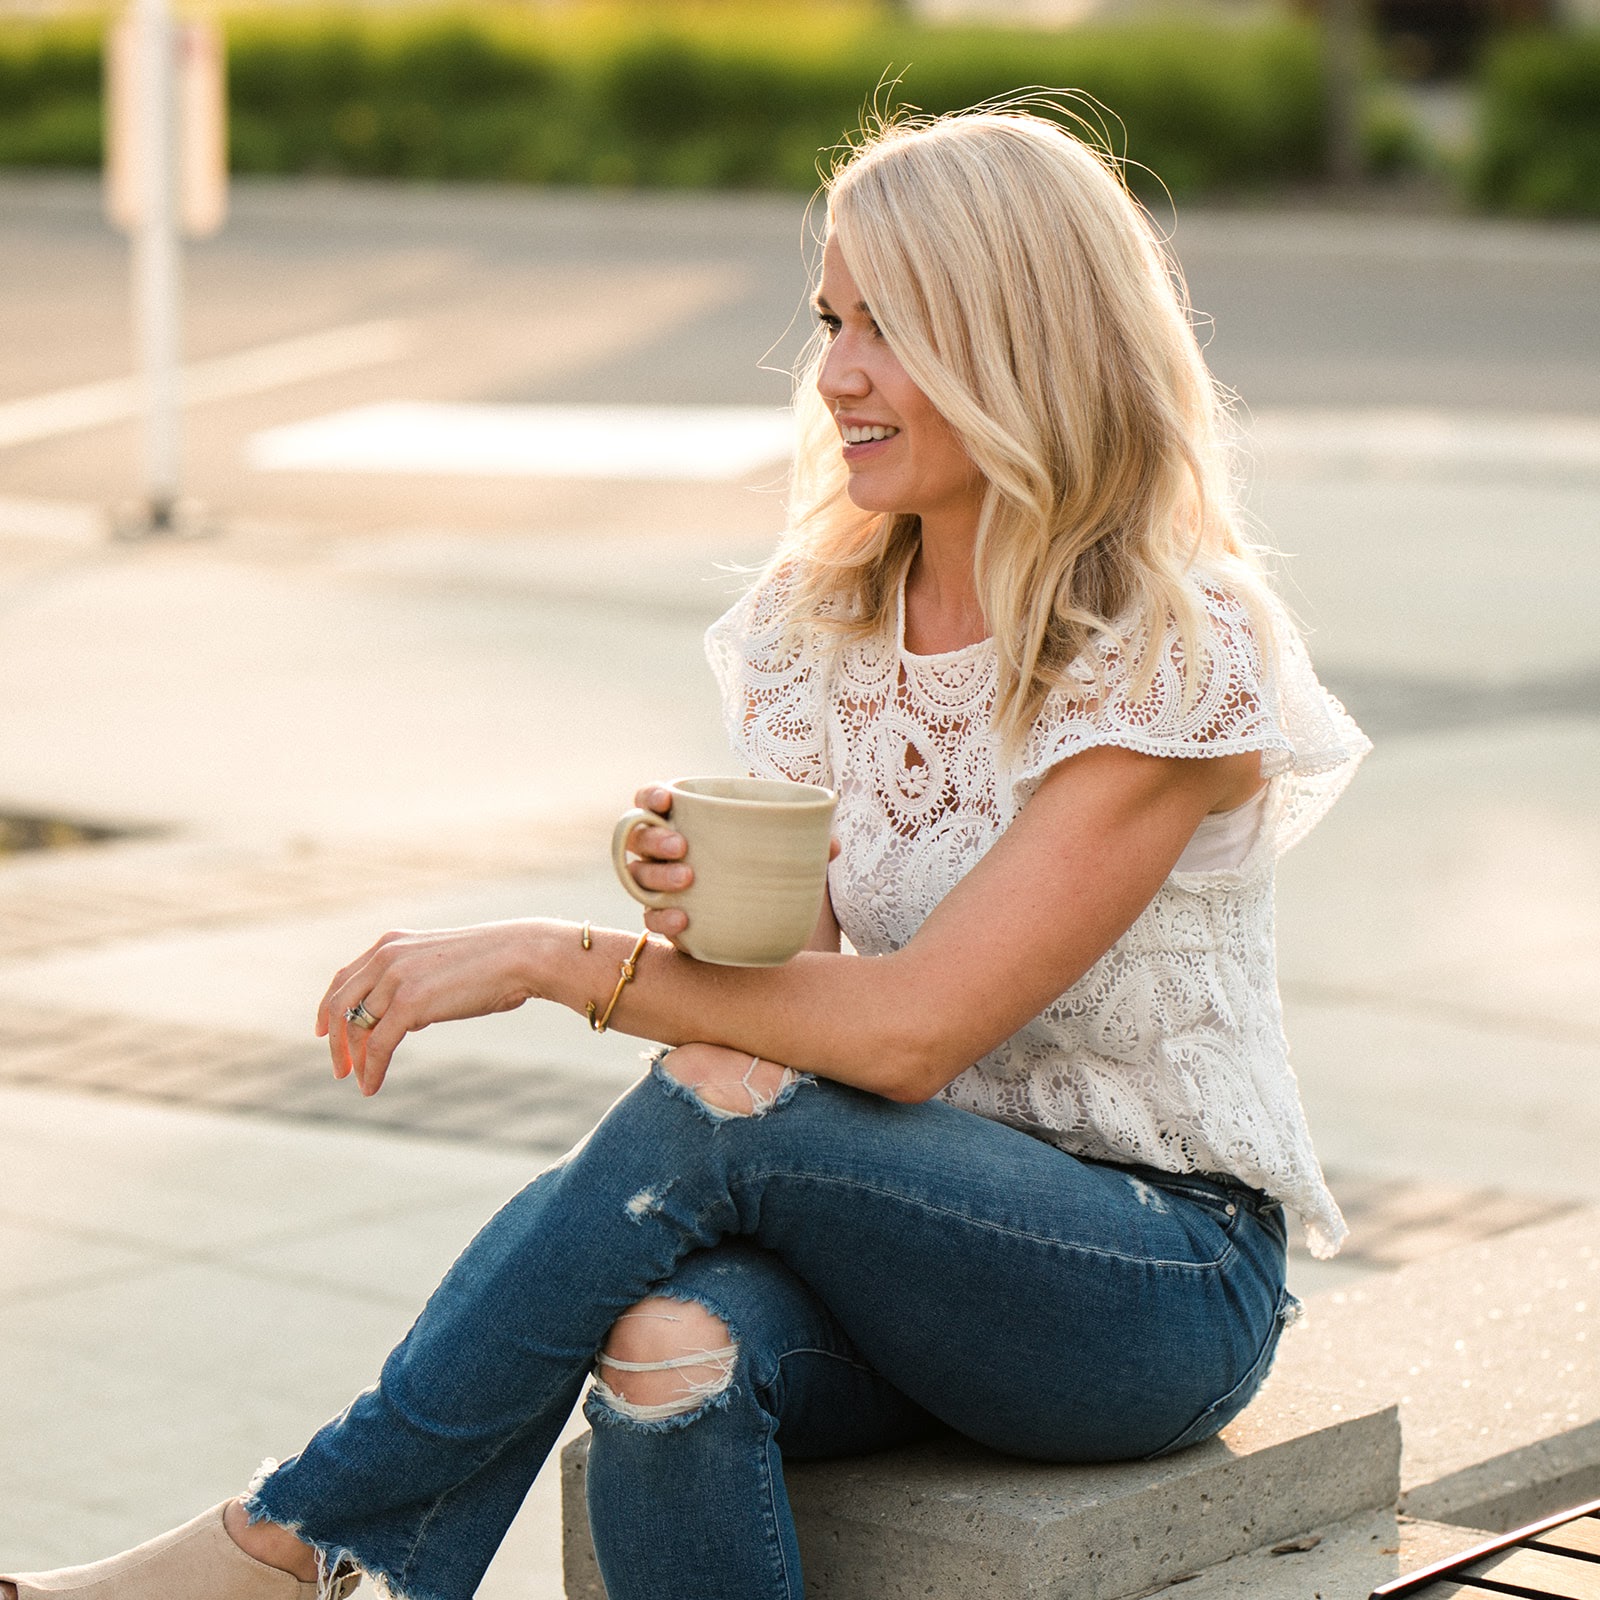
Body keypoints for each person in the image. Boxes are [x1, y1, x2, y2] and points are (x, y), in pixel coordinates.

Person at [3, 104, 1368, 1600]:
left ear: (1021, 344)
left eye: (890, 328)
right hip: (890, 1244)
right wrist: (723, 923)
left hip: (1149, 1283)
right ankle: (321, 1556)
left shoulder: (1174, 649)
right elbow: (810, 1013)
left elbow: (909, 1037)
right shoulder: (822, 627)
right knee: (666, 1346)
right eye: (830, 318)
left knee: (715, 1101)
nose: (835, 373)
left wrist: (549, 960)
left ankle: (296, 1546)